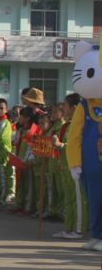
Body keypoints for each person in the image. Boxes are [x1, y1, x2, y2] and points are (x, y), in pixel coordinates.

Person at [53, 94, 87, 240]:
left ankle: (79, 230)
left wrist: (61, 145)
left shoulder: (80, 123)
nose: (63, 108)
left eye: (65, 105)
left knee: (78, 199)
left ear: (73, 108)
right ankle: (69, 227)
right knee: (69, 199)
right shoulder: (67, 124)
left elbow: (80, 144)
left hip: (75, 166)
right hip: (66, 166)